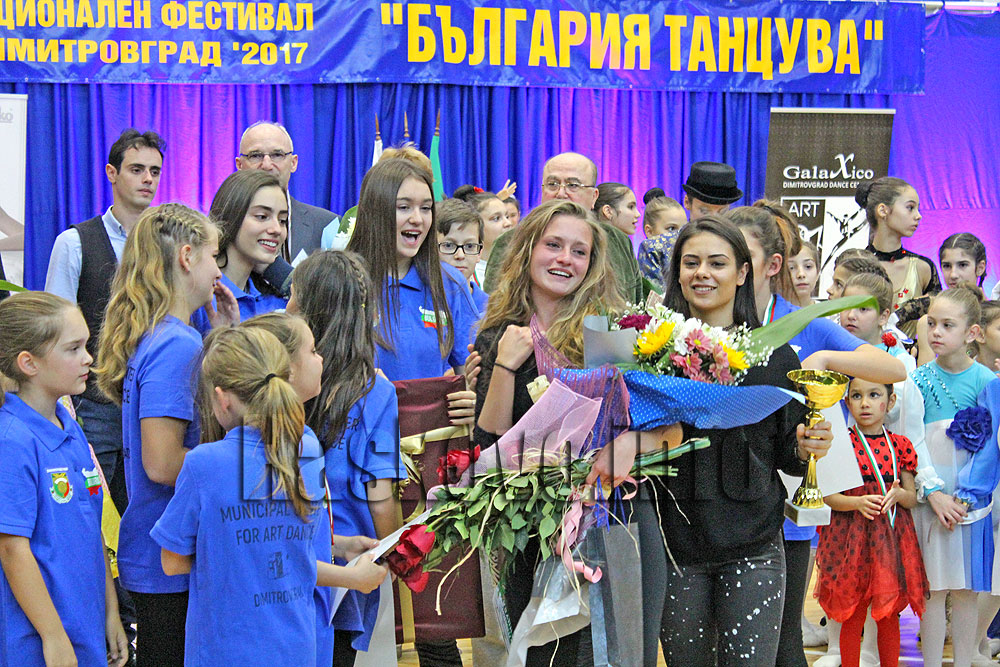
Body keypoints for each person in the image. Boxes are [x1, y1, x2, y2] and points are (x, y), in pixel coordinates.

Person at [475, 198, 668, 665]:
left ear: (592, 264)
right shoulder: (500, 334)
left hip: (613, 520)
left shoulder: (607, 334)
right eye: (553, 245)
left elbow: (656, 428)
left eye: (579, 251)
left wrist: (627, 444)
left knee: (617, 653)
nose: (565, 259)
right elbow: (491, 444)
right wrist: (505, 365)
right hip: (531, 532)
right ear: (527, 251)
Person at [726, 206, 907, 667]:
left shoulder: (802, 321)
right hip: (716, 503)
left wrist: (825, 358)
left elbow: (893, 369)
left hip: (786, 501)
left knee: (782, 636)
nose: (732, 266)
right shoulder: (704, 320)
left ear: (771, 264)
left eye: (742, 255)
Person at [653, 215, 832, 665]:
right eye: (691, 263)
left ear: (742, 273)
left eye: (717, 263)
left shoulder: (774, 355)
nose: (702, 273)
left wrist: (806, 447)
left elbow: (789, 458)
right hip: (674, 547)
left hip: (753, 546)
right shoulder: (651, 351)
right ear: (678, 273)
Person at [346, 157, 477, 666]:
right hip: (356, 473)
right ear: (377, 210)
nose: (417, 219)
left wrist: (470, 399)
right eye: (404, 207)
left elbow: (470, 370)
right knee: (359, 616)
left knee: (435, 618)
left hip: (430, 475)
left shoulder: (447, 283)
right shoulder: (345, 279)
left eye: (425, 208)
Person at [94, 203, 237, 666]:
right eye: (214, 256)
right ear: (187, 257)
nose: (219, 271)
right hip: (168, 558)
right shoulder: (176, 345)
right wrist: (235, 472)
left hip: (161, 554)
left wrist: (224, 337)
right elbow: (160, 462)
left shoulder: (169, 336)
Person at [236, 311, 390, 667]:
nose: (322, 359)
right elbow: (273, 553)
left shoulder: (302, 438)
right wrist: (350, 578)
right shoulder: (267, 449)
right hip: (283, 623)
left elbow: (292, 535)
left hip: (312, 617)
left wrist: (339, 545)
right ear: (287, 369)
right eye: (313, 351)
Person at [287, 251, 405, 666]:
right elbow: (380, 494)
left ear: (309, 311)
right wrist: (395, 553)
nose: (286, 306)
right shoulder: (377, 392)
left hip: (283, 560)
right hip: (348, 570)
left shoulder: (279, 384)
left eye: (292, 296)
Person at [0, 292, 129, 667]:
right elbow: (12, 549)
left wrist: (110, 612)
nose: (88, 358)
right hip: (38, 640)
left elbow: (91, 528)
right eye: (73, 349)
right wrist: (53, 637)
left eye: (86, 345)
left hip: (84, 626)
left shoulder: (69, 427)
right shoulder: (12, 440)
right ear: (29, 363)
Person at [44, 127, 164, 516]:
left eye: (155, 171)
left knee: (146, 521)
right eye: (137, 169)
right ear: (111, 173)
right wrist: (63, 407)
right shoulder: (74, 242)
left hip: (154, 406)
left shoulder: (168, 245)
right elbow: (55, 332)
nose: (148, 179)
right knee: (91, 518)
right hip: (94, 406)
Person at [901, 286, 1000, 667]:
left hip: (970, 504)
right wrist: (933, 492)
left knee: (966, 590)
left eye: (947, 325)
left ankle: (963, 660)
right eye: (931, 324)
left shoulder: (987, 382)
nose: (936, 332)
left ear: (972, 333)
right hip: (932, 500)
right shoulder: (918, 380)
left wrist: (967, 498)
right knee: (932, 590)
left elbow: (990, 449)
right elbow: (911, 438)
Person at [815, 378, 928, 667]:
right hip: (849, 540)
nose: (865, 403)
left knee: (888, 614)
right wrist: (856, 503)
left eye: (874, 395)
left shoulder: (900, 445)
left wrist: (899, 495)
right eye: (856, 396)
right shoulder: (841, 445)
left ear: (890, 402)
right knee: (852, 613)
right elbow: (829, 497)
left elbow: (911, 498)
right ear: (847, 402)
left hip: (889, 540)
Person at [483, 152, 642, 302]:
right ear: (542, 191)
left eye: (573, 185)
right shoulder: (509, 242)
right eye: (552, 184)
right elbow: (494, 309)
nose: (560, 193)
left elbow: (635, 306)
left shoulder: (618, 241)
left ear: (594, 197)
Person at [190, 170, 289, 334]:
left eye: (282, 220)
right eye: (262, 216)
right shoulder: (199, 297)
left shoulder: (278, 304)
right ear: (230, 217)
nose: (277, 229)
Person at [236, 121, 338, 259]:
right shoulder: (221, 225)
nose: (266, 165)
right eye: (255, 156)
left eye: (277, 155)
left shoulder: (327, 225)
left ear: (293, 163)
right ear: (239, 165)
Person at [858, 177, 942, 310]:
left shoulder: (923, 267)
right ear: (883, 210)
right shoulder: (855, 265)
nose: (918, 216)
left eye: (917, 209)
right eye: (910, 207)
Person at [436, 198, 489, 315]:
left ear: (479, 252)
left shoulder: (491, 309)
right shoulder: (418, 300)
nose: (460, 255)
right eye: (449, 245)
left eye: (469, 246)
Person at [453, 185, 512, 286]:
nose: (508, 223)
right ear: (474, 226)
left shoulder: (516, 264)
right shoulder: (464, 273)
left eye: (507, 216)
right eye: (496, 218)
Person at [637, 195, 687, 293]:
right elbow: (655, 295)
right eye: (671, 229)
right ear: (649, 231)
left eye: (683, 229)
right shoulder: (649, 248)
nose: (678, 235)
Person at [787, 241, 820, 307]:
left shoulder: (829, 312)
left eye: (808, 266)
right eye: (791, 268)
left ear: (818, 273)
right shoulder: (771, 312)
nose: (801, 274)